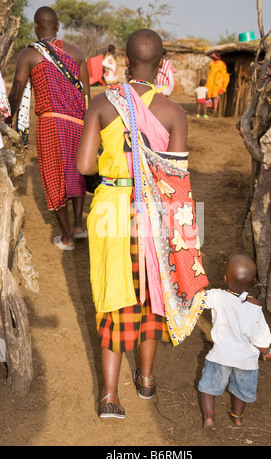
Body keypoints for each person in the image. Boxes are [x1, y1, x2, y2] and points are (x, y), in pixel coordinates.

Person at [77, 28, 208, 419]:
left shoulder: (103, 102)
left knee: (113, 299)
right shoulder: (174, 112)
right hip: (155, 216)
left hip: (111, 211)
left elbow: (85, 166)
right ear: (163, 62)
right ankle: (147, 380)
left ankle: (109, 397)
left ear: (126, 61)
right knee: (154, 295)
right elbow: (177, 180)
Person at [4, 6, 90, 251]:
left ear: (35, 27)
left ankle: (66, 238)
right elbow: (87, 97)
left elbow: (16, 93)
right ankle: (77, 225)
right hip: (79, 123)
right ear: (59, 27)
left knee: (54, 177)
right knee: (77, 172)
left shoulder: (29, 54)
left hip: (51, 122)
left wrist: (8, 122)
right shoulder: (78, 54)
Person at [198, 255, 271, 430]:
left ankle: (209, 417)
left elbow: (200, 299)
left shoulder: (217, 296)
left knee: (209, 387)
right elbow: (260, 338)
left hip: (220, 356)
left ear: (225, 279)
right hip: (246, 361)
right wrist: (268, 353)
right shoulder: (255, 308)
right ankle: (237, 417)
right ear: (255, 281)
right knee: (241, 391)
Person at [205, 51, 229, 116]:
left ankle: (215, 111)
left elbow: (224, 74)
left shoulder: (222, 64)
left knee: (216, 98)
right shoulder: (211, 63)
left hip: (218, 83)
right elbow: (210, 72)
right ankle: (209, 111)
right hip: (210, 83)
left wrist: (223, 84)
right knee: (209, 97)